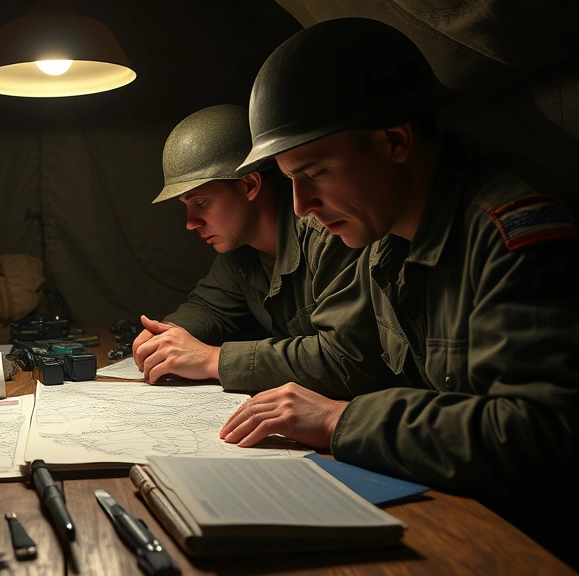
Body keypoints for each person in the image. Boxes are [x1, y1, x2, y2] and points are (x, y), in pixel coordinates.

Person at [218, 18, 578, 561]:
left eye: (315, 172)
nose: (299, 206)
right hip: (454, 508)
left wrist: (342, 419)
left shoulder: (509, 228)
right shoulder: (384, 243)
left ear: (394, 141)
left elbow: (541, 435)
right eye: (289, 180)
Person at [132, 104, 373, 396]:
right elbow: (209, 309)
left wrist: (210, 359)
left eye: (201, 202)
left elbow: (347, 360)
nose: (190, 223)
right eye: (186, 206)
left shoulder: (332, 232)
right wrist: (165, 335)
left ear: (249, 185)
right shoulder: (241, 251)